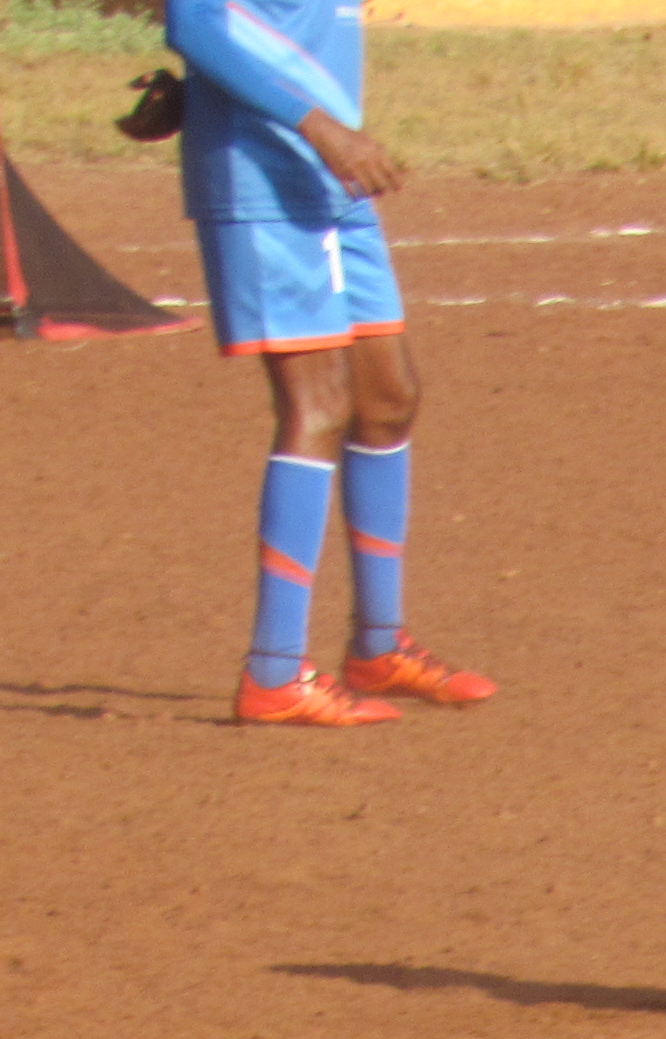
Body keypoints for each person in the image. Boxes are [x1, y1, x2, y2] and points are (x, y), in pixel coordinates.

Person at [160, 0, 494, 724]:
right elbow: (195, 22)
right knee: (317, 406)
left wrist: (197, 94)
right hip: (266, 185)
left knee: (388, 398)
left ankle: (379, 646)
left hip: (331, 182)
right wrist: (320, 128)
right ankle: (274, 674)